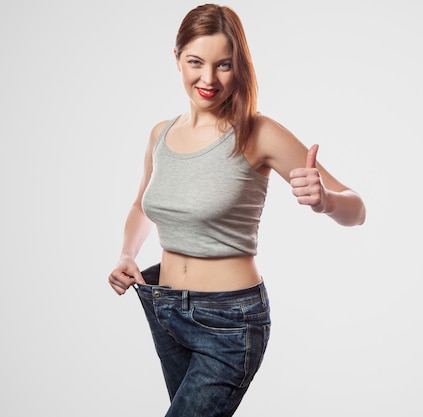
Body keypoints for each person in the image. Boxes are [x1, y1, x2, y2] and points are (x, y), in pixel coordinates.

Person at [108, 3, 366, 416]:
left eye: (223, 65)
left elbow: (357, 209)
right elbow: (143, 204)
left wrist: (326, 201)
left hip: (230, 322)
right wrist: (126, 253)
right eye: (195, 62)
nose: (208, 79)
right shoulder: (161, 133)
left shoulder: (258, 132)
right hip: (164, 308)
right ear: (177, 59)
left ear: (239, 66)